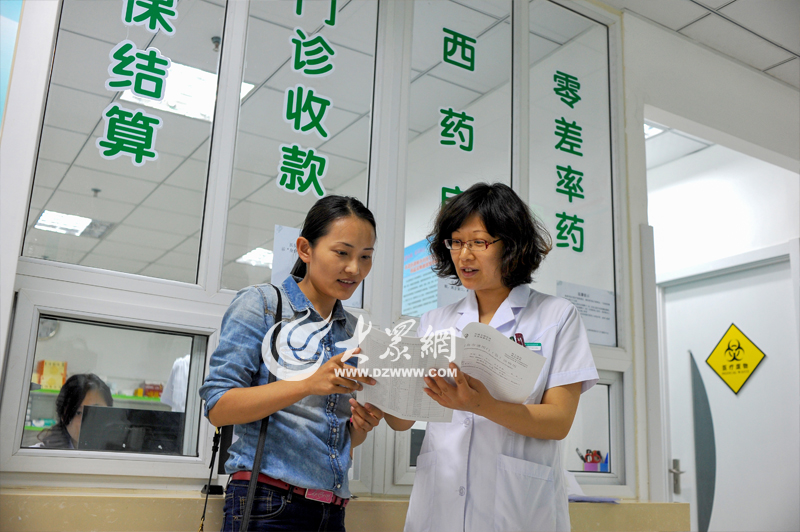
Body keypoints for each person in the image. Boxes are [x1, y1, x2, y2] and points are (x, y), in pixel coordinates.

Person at [200, 195, 408, 532]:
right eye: (342, 253)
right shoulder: (263, 305)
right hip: (268, 503)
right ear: (305, 249)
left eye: (365, 256)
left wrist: (358, 429)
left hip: (332, 510)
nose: (354, 269)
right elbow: (218, 407)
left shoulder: (354, 331)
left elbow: (330, 437)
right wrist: (308, 383)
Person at [403, 183, 599, 532]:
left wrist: (481, 405)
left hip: (518, 510)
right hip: (440, 507)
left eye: (478, 242)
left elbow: (558, 421)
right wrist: (377, 395)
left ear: (511, 245)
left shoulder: (555, 316)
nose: (464, 255)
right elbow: (405, 418)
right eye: (456, 242)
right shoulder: (434, 322)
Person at [34, 373, 113, 449]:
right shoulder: (40, 454)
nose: (88, 421)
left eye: (96, 411)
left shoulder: (118, 454)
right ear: (63, 416)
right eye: (78, 412)